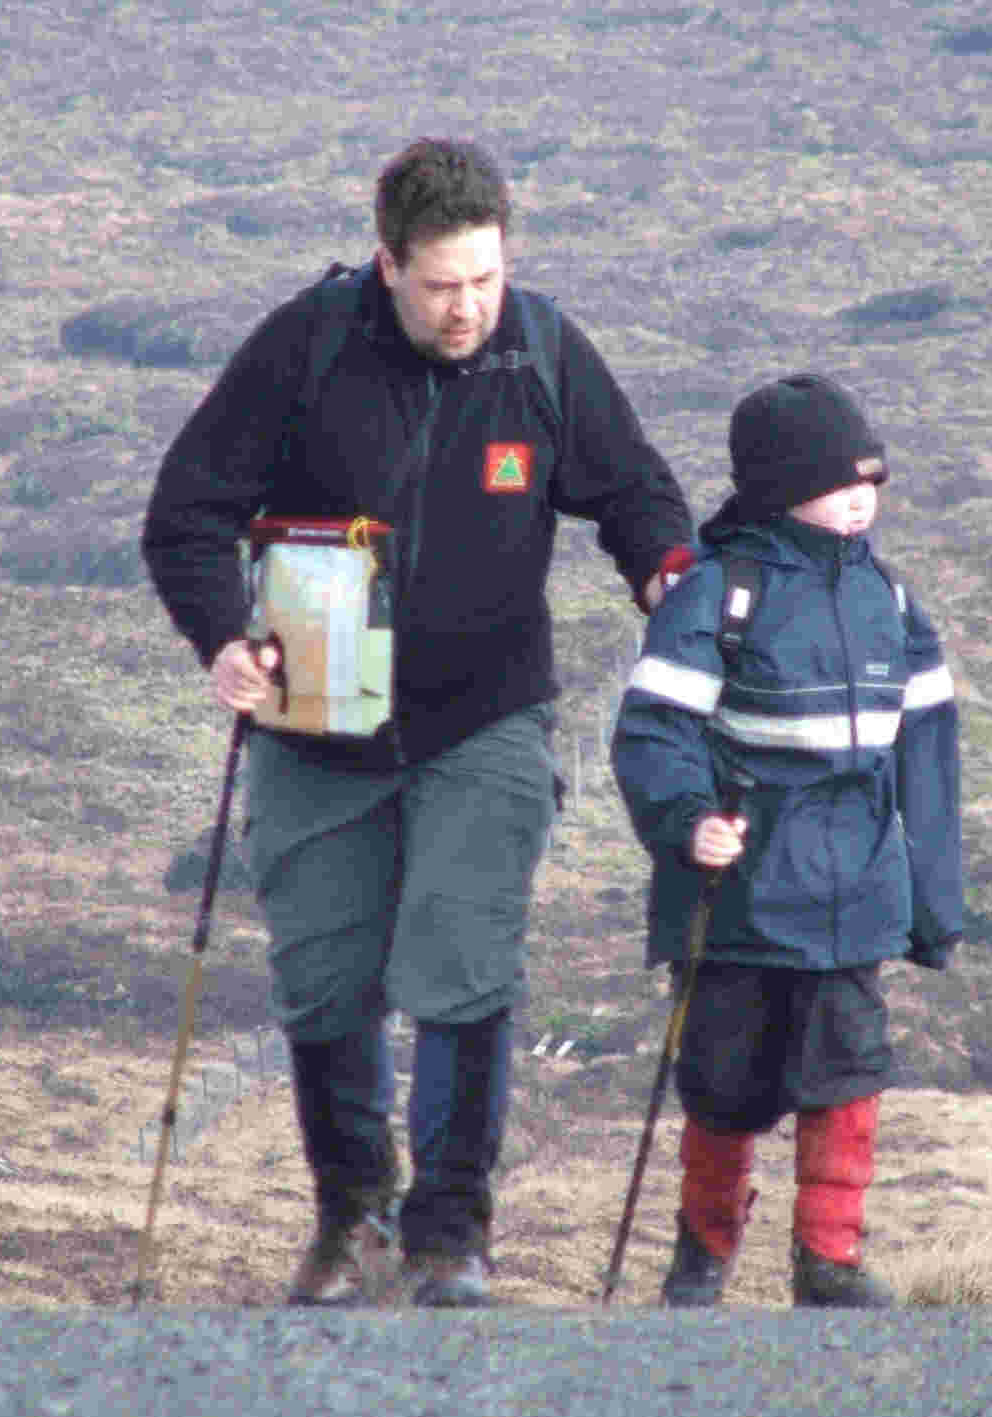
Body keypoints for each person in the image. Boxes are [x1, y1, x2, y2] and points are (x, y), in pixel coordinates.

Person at [141, 139, 692, 1308]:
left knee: (461, 966)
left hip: (484, 720)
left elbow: (634, 493)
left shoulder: (540, 351)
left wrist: (666, 576)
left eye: (485, 278)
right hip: (312, 722)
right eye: (442, 284)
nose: (468, 307)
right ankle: (354, 1219)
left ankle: (450, 1233)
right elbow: (185, 512)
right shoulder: (305, 348)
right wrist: (220, 639)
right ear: (386, 261)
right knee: (325, 983)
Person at [610, 373, 964, 1308]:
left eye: (872, 481)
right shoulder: (718, 596)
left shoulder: (889, 600)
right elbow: (653, 731)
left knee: (847, 1077)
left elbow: (927, 759)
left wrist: (933, 903)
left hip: (855, 902)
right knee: (723, 1087)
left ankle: (829, 1261)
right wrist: (688, 822)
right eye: (837, 480)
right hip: (739, 903)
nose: (861, 496)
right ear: (776, 488)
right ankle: (702, 1255)